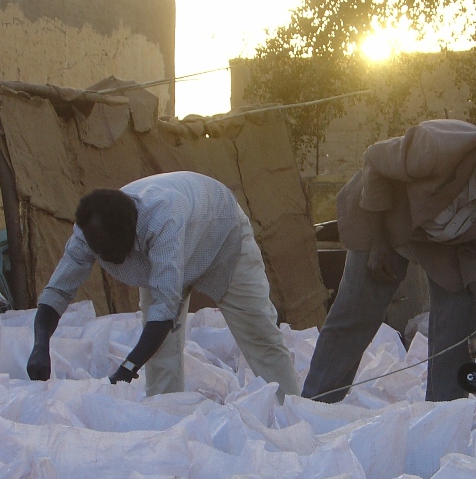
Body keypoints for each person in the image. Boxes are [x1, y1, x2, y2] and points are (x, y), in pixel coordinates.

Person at [301, 119, 476, 403]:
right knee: (356, 315)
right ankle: (316, 403)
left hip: (441, 244)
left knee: (461, 317)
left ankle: (444, 413)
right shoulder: (435, 147)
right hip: (386, 219)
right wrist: (378, 243)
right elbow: (376, 163)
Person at [26, 171, 300, 401]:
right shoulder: (89, 232)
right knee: (161, 353)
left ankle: (291, 412)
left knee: (259, 334)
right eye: (100, 254)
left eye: (111, 253)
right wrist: (40, 346)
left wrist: (125, 371)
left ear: (131, 236)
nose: (106, 261)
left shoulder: (162, 219)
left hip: (221, 237)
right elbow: (58, 291)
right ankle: (167, 416)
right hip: (169, 252)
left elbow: (164, 312)